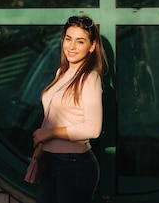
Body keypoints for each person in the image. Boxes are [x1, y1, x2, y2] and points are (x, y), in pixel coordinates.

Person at [32, 15, 105, 203]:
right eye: (68, 38)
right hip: (51, 160)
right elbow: (52, 113)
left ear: (92, 46)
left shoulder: (90, 78)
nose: (71, 47)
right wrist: (41, 148)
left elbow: (93, 128)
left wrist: (50, 134)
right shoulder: (62, 73)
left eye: (80, 41)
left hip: (74, 164)